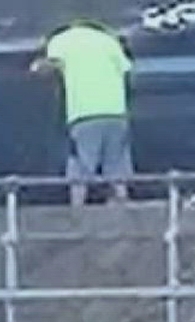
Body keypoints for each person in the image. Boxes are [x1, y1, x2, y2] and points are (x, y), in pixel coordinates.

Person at [32, 19, 134, 206]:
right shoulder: (109, 40)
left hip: (84, 113)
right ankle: (122, 207)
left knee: (81, 165)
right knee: (116, 165)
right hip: (116, 112)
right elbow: (126, 70)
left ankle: (77, 211)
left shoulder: (61, 40)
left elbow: (45, 68)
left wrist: (37, 66)